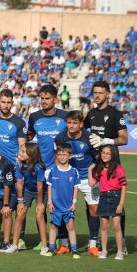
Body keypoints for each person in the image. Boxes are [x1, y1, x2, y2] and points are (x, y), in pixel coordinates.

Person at [84, 80, 128, 254]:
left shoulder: (117, 114)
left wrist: (107, 141)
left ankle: (121, 243)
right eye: (94, 92)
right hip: (95, 167)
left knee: (118, 207)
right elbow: (81, 128)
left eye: (100, 93)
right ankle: (94, 241)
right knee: (93, 202)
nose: (97, 95)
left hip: (111, 169)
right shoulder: (91, 114)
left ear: (108, 94)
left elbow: (124, 139)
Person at [27, 84, 68, 252]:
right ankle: (43, 240)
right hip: (40, 169)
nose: (43, 101)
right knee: (41, 205)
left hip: (59, 168)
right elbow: (28, 136)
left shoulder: (65, 116)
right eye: (42, 98)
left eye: (47, 98)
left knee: (60, 206)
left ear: (55, 99)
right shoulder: (34, 116)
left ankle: (62, 241)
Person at [55, 110, 99, 257]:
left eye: (75, 123)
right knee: (62, 209)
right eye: (69, 122)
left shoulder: (90, 137)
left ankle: (93, 244)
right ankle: (64, 244)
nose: (71, 125)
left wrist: (94, 174)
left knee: (94, 209)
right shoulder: (60, 137)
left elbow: (98, 159)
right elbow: (58, 157)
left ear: (81, 124)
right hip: (69, 177)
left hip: (88, 178)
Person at [0, 143, 49, 255]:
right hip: (27, 191)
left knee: (39, 215)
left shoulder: (39, 167)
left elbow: (40, 186)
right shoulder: (19, 165)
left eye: (22, 152)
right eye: (20, 151)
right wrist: (20, 201)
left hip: (41, 192)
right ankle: (14, 245)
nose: (19, 154)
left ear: (31, 155)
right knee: (20, 215)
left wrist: (40, 203)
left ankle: (44, 246)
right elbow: (20, 183)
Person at [88, 145, 127, 261]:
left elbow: (123, 187)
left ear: (113, 155)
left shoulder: (118, 169)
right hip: (103, 198)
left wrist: (120, 204)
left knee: (116, 226)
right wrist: (90, 170)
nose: (104, 155)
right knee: (104, 226)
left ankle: (120, 251)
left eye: (108, 153)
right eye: (103, 153)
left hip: (115, 197)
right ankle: (104, 250)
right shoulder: (99, 169)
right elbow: (91, 184)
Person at [45, 144, 81, 259]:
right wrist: (50, 202)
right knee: (53, 227)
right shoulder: (53, 171)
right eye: (59, 154)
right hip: (55, 206)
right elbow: (50, 187)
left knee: (70, 227)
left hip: (68, 206)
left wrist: (74, 202)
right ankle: (51, 248)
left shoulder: (74, 171)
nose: (62, 157)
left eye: (64, 154)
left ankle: (74, 250)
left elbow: (76, 187)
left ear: (70, 156)